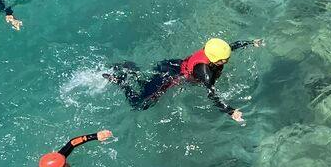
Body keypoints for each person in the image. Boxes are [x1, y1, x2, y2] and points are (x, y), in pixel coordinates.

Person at [105, 38, 261, 121]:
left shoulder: (214, 52)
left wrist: (251, 43)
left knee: (147, 86)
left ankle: (131, 70)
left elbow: (231, 46)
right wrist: (230, 111)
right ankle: (122, 81)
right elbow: (212, 94)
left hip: (171, 64)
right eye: (224, 60)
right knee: (140, 104)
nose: (227, 60)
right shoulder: (204, 71)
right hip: (170, 77)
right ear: (216, 59)